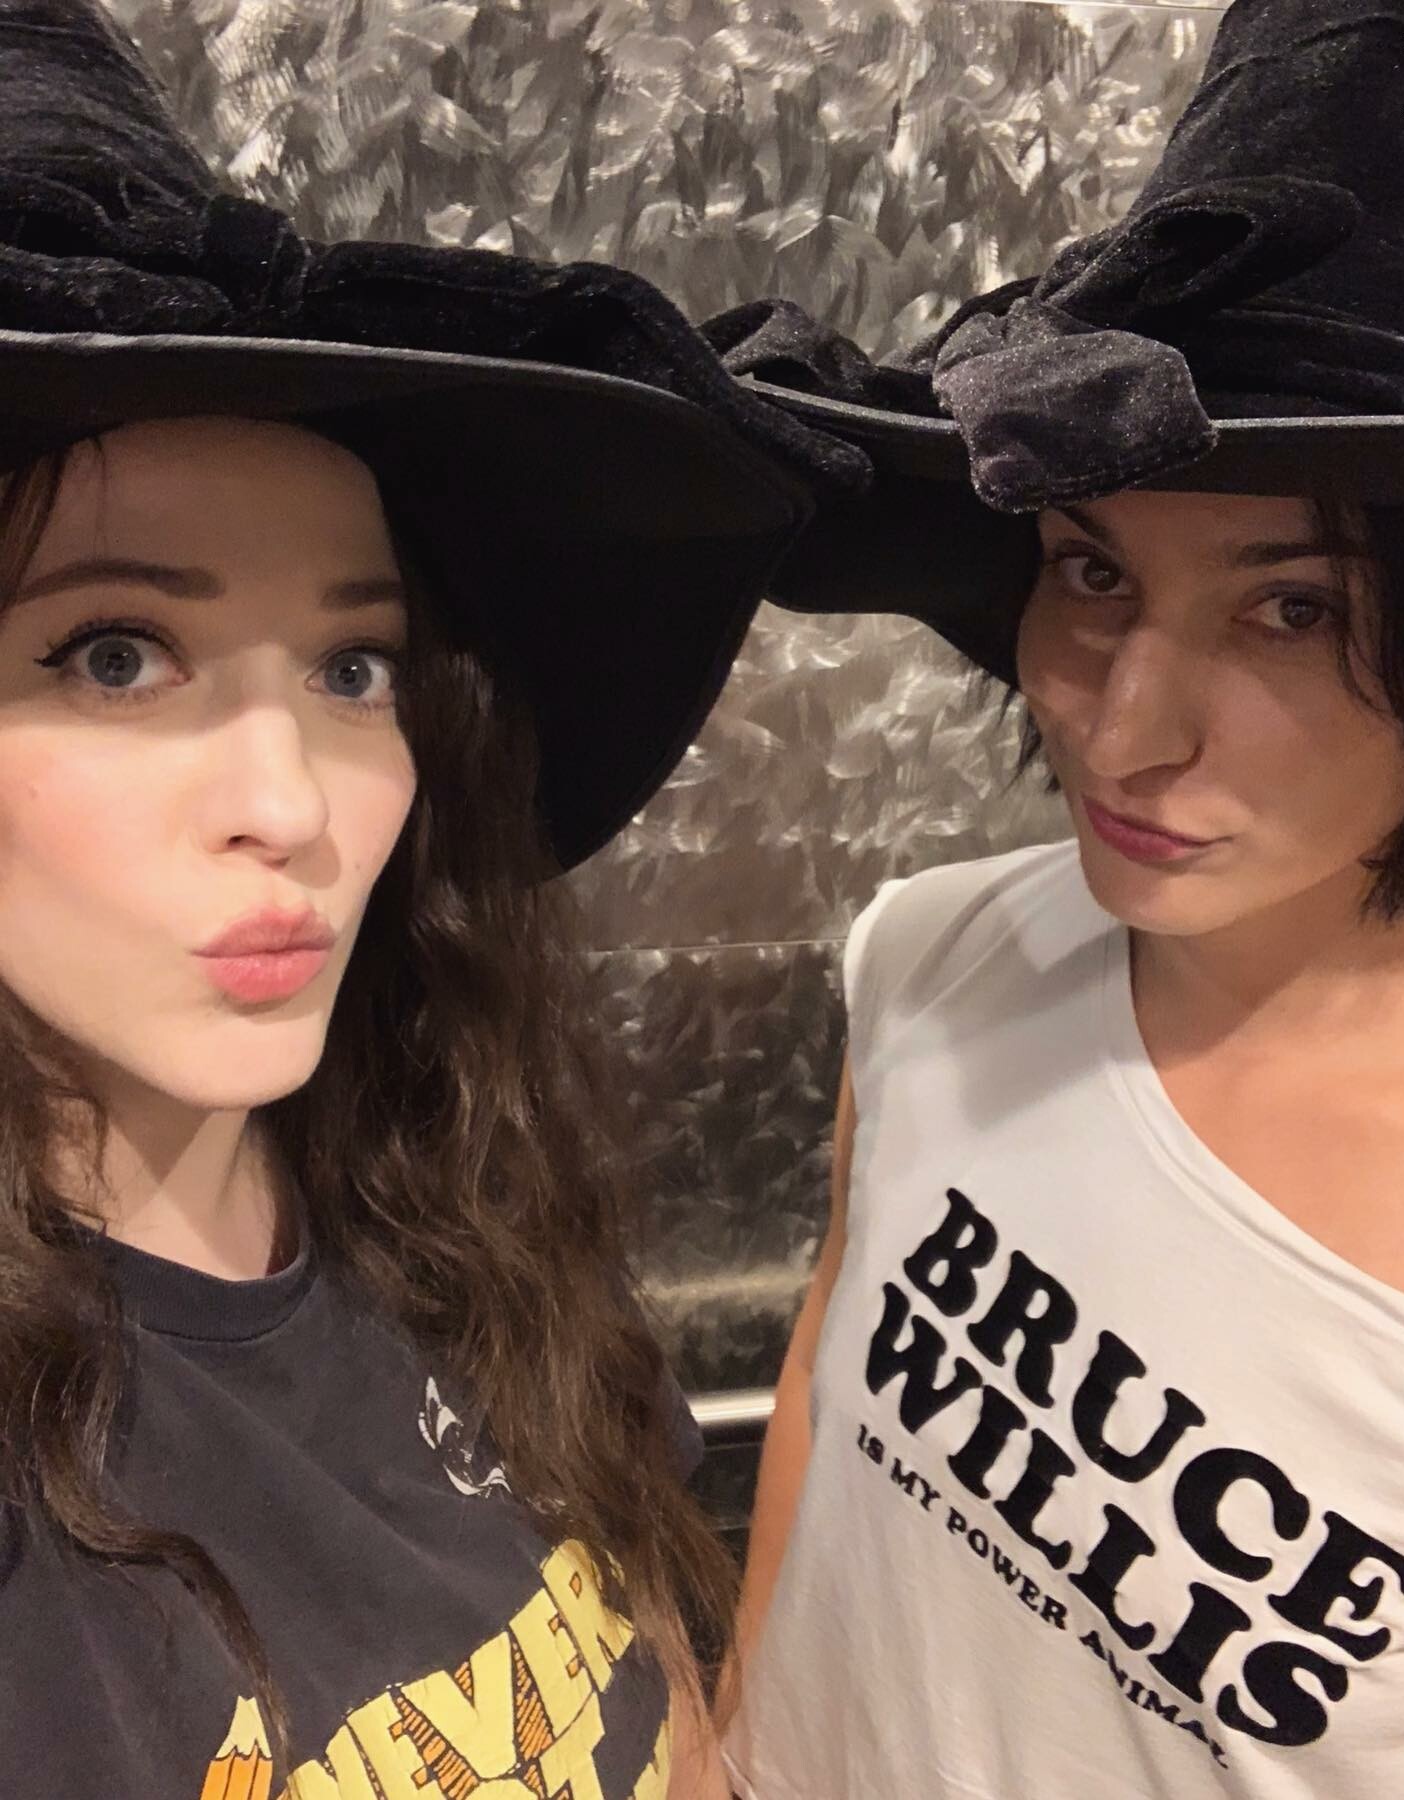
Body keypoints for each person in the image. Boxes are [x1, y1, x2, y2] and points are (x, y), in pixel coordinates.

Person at [0, 3, 870, 1795]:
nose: (290, 807)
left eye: (353, 669)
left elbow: (665, 1685)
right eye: (115, 654)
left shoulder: (455, 1189)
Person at [707, 1, 1404, 1794]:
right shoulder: (940, 952)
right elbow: (830, 1380)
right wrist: (730, 1742)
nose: (1120, 729)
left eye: (1294, 608)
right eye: (1091, 572)